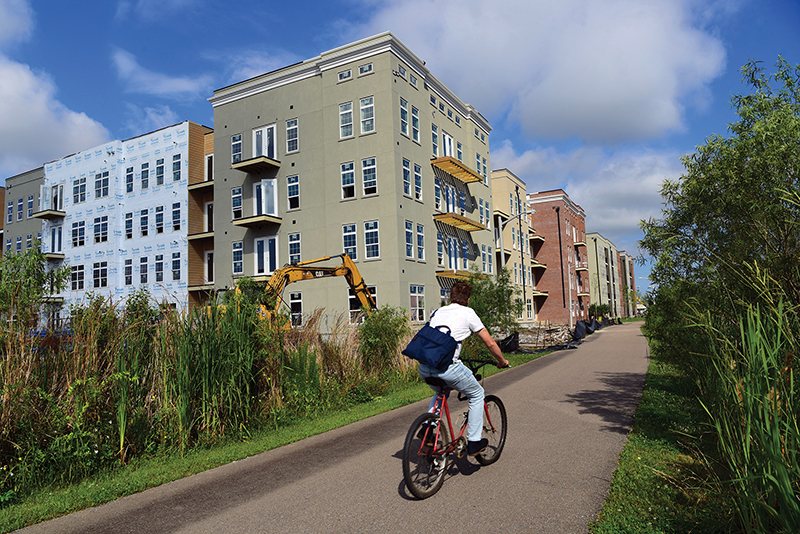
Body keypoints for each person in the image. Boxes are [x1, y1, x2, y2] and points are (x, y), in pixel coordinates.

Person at [418, 281, 509, 456]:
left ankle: (428, 429)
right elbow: (489, 342)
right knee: (476, 394)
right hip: (447, 367)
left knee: (440, 392)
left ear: (450, 298)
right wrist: (502, 360)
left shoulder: (436, 312)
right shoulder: (468, 313)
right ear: (467, 300)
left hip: (424, 367)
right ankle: (474, 442)